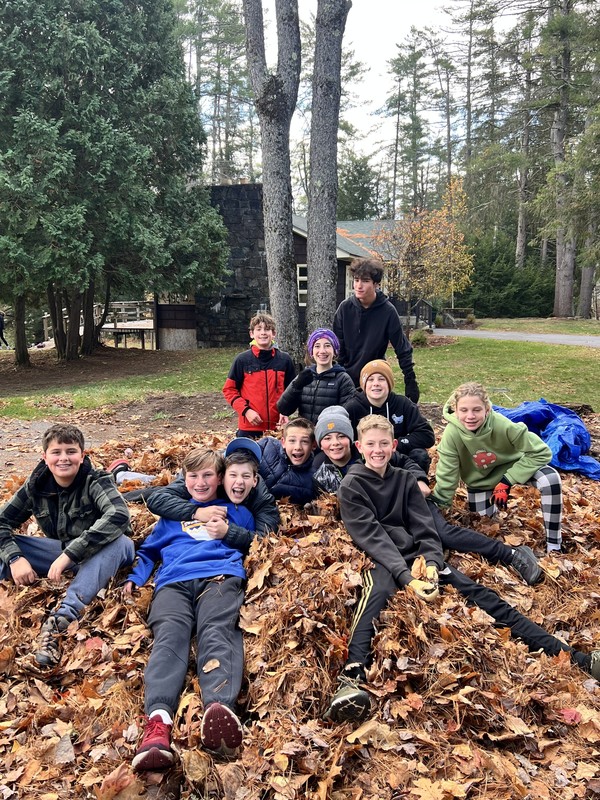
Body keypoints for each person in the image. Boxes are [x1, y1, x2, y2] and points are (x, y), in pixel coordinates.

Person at [323, 415, 599, 723]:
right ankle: (349, 683)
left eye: (384, 444)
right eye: (371, 444)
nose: (378, 450)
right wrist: (406, 578)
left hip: (417, 555)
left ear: (393, 445)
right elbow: (371, 536)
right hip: (382, 558)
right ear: (360, 446)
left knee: (482, 595)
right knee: (375, 598)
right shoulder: (352, 485)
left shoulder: (403, 479)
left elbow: (425, 527)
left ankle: (578, 658)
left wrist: (430, 563)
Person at [127, 444, 258, 770]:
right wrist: (136, 576)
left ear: (220, 478)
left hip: (220, 578)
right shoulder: (174, 516)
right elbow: (149, 552)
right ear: (184, 479)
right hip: (173, 582)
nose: (200, 482)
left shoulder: (236, 511)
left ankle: (219, 707)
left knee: (218, 628)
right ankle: (158, 724)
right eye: (192, 476)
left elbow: (254, 539)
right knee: (170, 636)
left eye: (208, 476)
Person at [313, 406, 541, 585]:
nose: (335, 444)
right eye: (328, 439)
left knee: (443, 533)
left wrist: (419, 479)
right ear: (320, 444)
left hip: (410, 502)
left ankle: (511, 554)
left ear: (352, 442)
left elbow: (405, 462)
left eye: (341, 437)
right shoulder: (320, 465)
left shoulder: (371, 451)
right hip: (388, 518)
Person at [0, 423, 134, 667]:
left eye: (71, 451)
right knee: (8, 547)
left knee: (121, 541)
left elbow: (119, 515)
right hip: (58, 551)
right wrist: (14, 558)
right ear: (45, 457)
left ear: (82, 456)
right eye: (56, 452)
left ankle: (59, 621)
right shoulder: (36, 485)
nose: (64, 458)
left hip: (103, 552)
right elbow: (2, 521)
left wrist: (70, 555)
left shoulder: (96, 480)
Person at [432, 382, 563, 553]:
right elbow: (447, 474)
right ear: (455, 411)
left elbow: (542, 453)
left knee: (550, 479)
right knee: (482, 527)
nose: (470, 416)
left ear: (487, 409)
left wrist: (507, 481)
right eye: (464, 410)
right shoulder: (452, 434)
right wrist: (439, 508)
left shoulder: (502, 425)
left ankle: (554, 545)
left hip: (514, 469)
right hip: (481, 482)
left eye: (476, 410)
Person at [144, 438, 280, 551]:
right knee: (152, 489)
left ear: (254, 480)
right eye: (232, 475)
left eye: (245, 476)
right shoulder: (205, 481)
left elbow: (265, 540)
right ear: (222, 477)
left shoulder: (261, 497)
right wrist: (196, 512)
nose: (239, 482)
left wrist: (228, 532)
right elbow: (157, 498)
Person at [332, 257, 419, 402]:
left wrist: (410, 380)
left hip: (374, 375)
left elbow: (402, 348)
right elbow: (337, 350)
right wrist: (339, 379)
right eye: (356, 280)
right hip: (347, 376)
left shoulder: (387, 311)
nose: (359, 285)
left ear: (376, 284)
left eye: (365, 281)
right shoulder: (344, 308)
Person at [345, 359, 434, 473]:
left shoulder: (403, 404)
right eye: (370, 379)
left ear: (389, 383)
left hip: (398, 456)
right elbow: (345, 439)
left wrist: (396, 444)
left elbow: (426, 435)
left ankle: (414, 486)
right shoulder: (352, 407)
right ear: (364, 384)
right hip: (367, 457)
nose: (376, 383)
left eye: (381, 379)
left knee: (420, 455)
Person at [222, 312, 295, 438]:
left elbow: (292, 391)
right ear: (252, 334)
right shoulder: (242, 360)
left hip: (277, 427)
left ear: (274, 334)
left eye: (267, 329)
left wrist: (286, 411)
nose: (263, 333)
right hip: (249, 426)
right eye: (259, 329)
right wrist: (246, 411)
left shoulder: (284, 360)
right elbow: (229, 389)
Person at [276, 328, 355, 423]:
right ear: (311, 352)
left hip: (328, 434)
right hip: (306, 434)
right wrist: (296, 386)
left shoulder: (343, 379)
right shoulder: (304, 376)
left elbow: (347, 414)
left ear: (334, 351)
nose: (322, 351)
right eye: (317, 346)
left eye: (327, 346)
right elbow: (284, 409)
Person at [257, 418, 316, 504]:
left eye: (304, 441)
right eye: (292, 440)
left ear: (313, 445)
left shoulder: (312, 481)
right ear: (283, 442)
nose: (298, 447)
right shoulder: (267, 445)